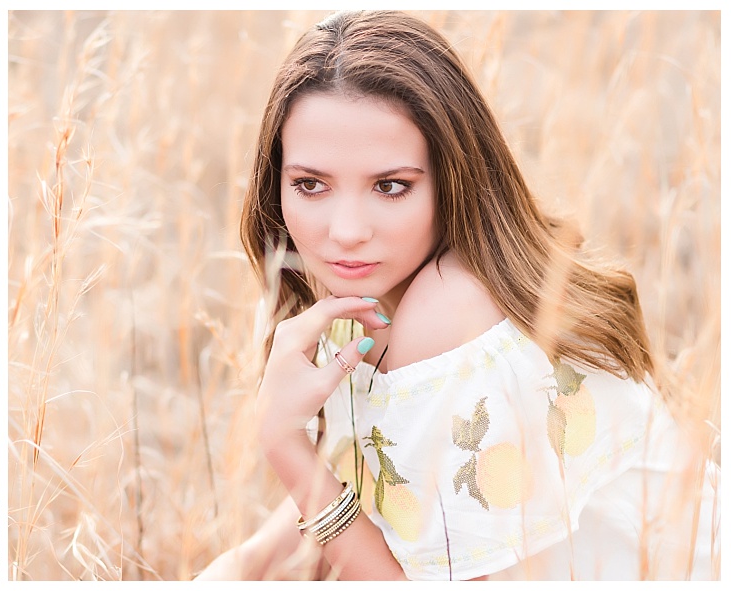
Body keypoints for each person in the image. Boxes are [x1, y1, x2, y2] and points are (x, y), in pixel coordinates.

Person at [197, 11, 718, 581]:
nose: (345, 230)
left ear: (453, 177)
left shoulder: (452, 313)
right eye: (310, 184)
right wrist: (235, 568)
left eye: (390, 186)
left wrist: (284, 444)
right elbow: (370, 468)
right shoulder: (371, 288)